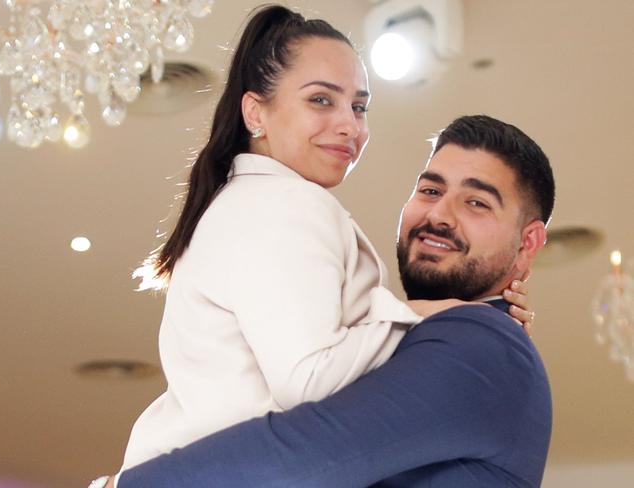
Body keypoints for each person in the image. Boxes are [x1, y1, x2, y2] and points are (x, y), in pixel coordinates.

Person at [89, 5, 531, 488]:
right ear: (256, 111)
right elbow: (309, 380)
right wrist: (423, 316)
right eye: (322, 100)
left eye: (359, 107)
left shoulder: (247, 202)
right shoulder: (287, 202)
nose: (350, 126)